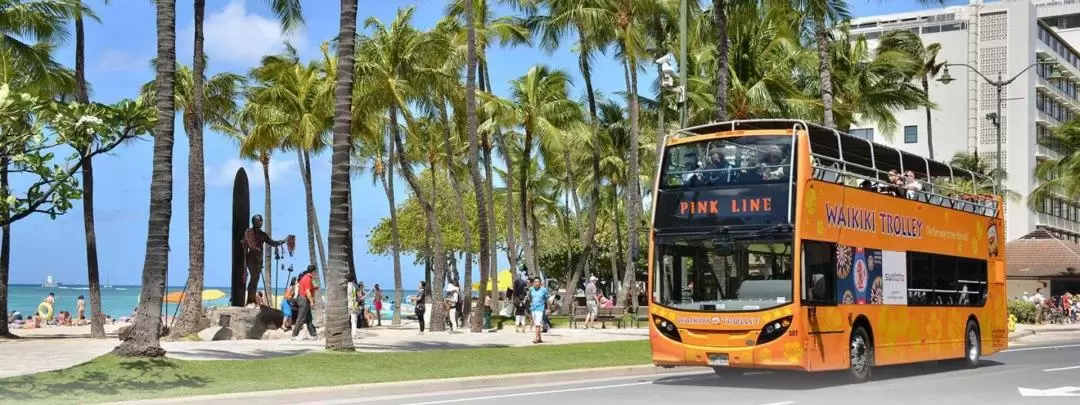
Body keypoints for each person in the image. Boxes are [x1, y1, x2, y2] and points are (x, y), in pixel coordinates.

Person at [243, 215, 289, 306]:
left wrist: (283, 241)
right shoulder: (249, 232)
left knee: (256, 279)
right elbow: (250, 245)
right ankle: (250, 300)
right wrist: (256, 249)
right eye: (259, 221)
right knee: (253, 278)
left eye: (262, 221)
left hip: (259, 260)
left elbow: (273, 243)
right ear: (254, 221)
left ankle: (252, 300)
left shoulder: (262, 234)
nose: (261, 222)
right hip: (251, 259)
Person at [291, 266, 318, 341]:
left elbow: (316, 287)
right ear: (313, 271)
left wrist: (314, 282)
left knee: (308, 318)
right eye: (315, 271)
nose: (316, 273)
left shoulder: (310, 279)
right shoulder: (307, 278)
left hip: (306, 299)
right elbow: (307, 291)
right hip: (304, 299)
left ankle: (313, 334)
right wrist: (312, 301)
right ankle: (294, 335)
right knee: (301, 318)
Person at [528, 277, 549, 344]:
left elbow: (547, 300)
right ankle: (539, 338)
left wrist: (548, 309)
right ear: (533, 283)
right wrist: (531, 304)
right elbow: (530, 297)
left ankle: (535, 338)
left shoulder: (544, 290)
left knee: (537, 324)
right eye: (535, 281)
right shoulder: (531, 289)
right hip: (533, 309)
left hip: (540, 309)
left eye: (538, 281)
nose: (536, 283)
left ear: (540, 283)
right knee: (536, 324)